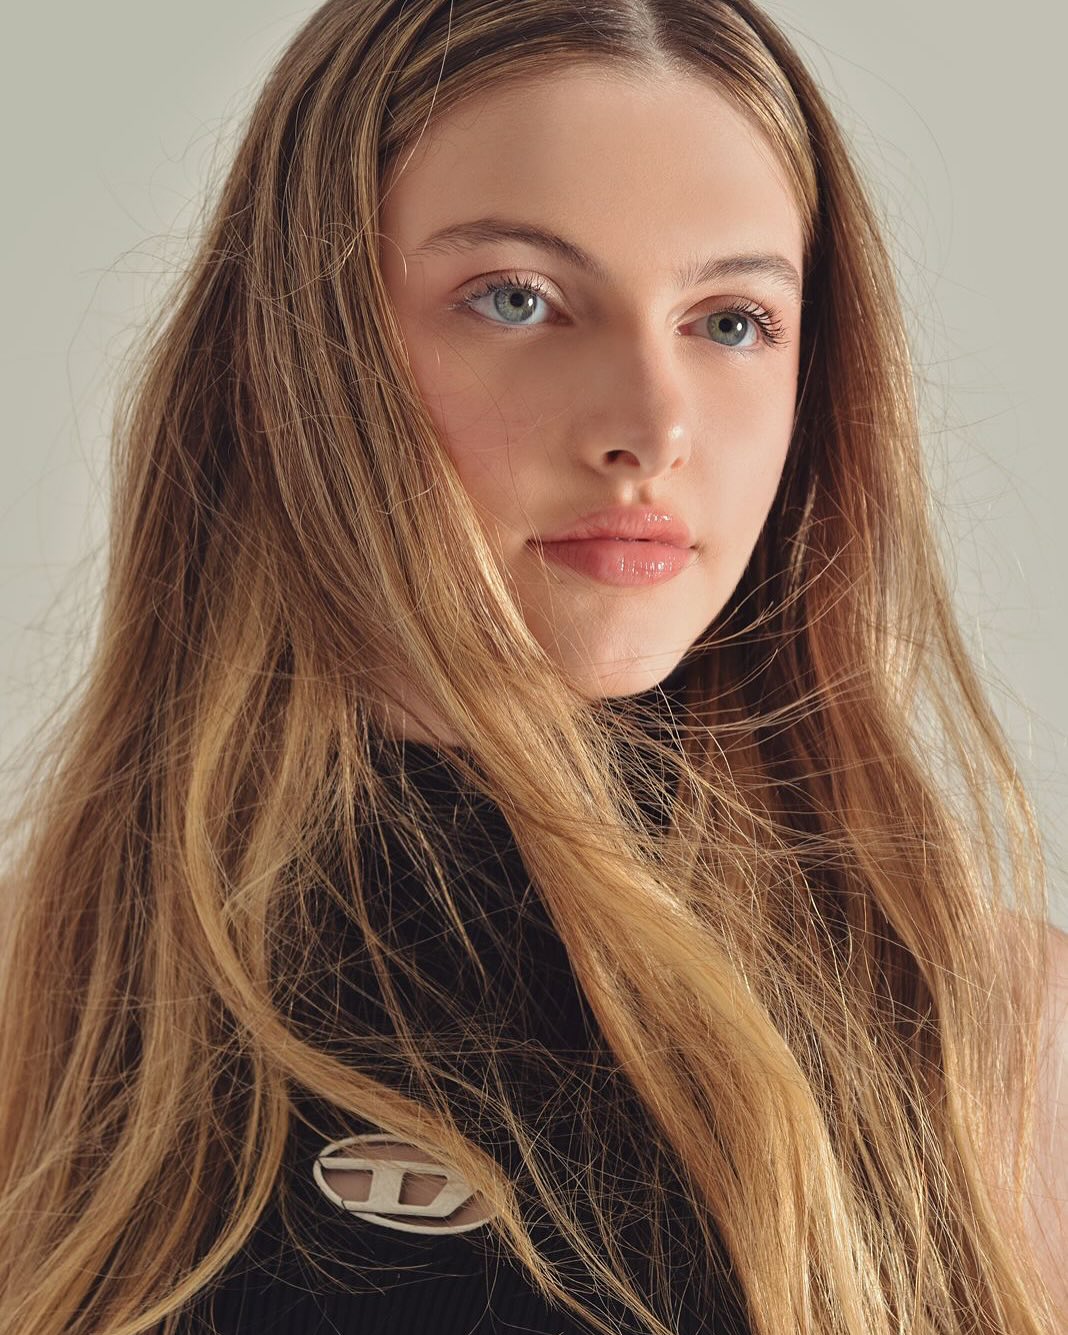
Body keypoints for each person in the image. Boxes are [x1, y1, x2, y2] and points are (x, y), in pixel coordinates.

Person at [0, 1, 1064, 1332]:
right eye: (519, 299)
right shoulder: (45, 1001)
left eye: (733, 322)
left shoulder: (987, 1038)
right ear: (297, 355)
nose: (653, 427)